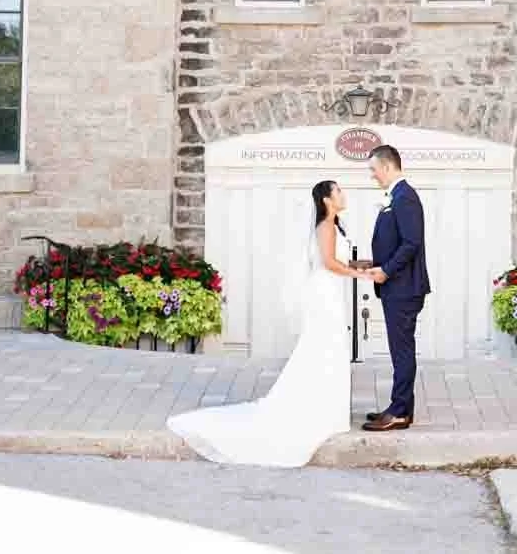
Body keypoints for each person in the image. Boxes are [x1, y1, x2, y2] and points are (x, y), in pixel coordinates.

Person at [166, 177, 361, 466]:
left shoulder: (334, 226)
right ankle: (322, 411)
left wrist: (361, 265)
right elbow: (330, 263)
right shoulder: (326, 226)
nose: (343, 195)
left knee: (329, 348)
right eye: (339, 191)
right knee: (325, 347)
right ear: (327, 200)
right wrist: (363, 275)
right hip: (326, 292)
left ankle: (328, 408)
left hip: (330, 289)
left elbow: (338, 262)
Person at [360, 144, 429, 431]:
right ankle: (401, 408)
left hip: (404, 288)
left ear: (387, 167)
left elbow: (411, 243)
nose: (373, 176)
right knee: (400, 350)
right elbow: (396, 242)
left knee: (402, 351)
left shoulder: (405, 198)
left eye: (374, 170)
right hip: (397, 287)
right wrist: (372, 264)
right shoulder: (398, 197)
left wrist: (386, 271)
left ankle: (399, 411)